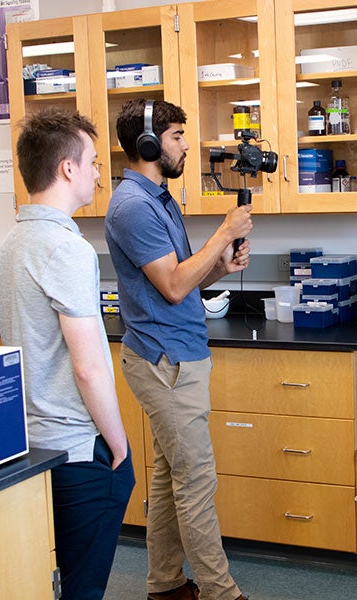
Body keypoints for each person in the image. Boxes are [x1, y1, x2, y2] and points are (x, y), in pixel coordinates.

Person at [104, 98, 252, 600]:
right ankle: (220, 592)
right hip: (162, 358)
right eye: (175, 136)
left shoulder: (160, 199)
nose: (186, 144)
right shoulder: (133, 205)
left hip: (182, 352)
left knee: (171, 477)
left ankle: (165, 586)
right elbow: (169, 286)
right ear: (148, 145)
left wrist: (220, 267)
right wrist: (224, 233)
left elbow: (184, 279)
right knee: (196, 482)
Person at [0, 108, 135, 600]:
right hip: (76, 448)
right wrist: (118, 446)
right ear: (67, 169)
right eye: (94, 162)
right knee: (82, 586)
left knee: (42, 576)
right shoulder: (66, 249)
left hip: (27, 445)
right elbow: (88, 366)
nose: (100, 172)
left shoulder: (12, 244)